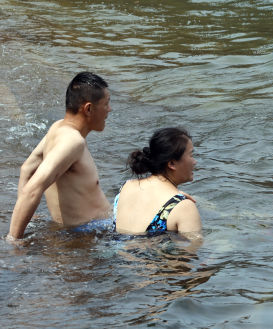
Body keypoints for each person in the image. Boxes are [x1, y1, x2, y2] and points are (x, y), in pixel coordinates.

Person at [7, 72, 112, 240]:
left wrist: (26, 214)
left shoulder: (58, 127)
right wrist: (14, 240)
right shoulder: (73, 142)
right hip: (91, 234)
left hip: (89, 231)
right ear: (89, 109)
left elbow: (27, 168)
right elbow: (32, 189)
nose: (109, 109)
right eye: (106, 104)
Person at [113, 127, 201, 238]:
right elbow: (192, 252)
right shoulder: (184, 208)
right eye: (191, 155)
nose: (194, 162)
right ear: (172, 164)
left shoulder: (126, 187)